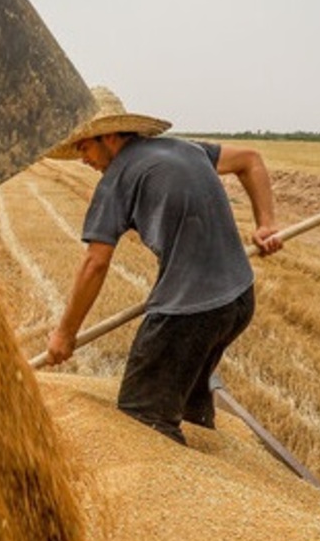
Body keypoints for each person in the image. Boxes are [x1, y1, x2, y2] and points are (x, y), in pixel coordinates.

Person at [43, 86, 283, 445]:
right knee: (188, 400)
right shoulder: (184, 148)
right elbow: (251, 159)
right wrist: (266, 223)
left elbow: (95, 263)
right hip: (238, 300)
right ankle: (209, 454)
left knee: (143, 416)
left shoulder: (116, 179)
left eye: (85, 146)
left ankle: (181, 491)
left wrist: (65, 334)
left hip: (190, 312)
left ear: (109, 136)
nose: (82, 158)